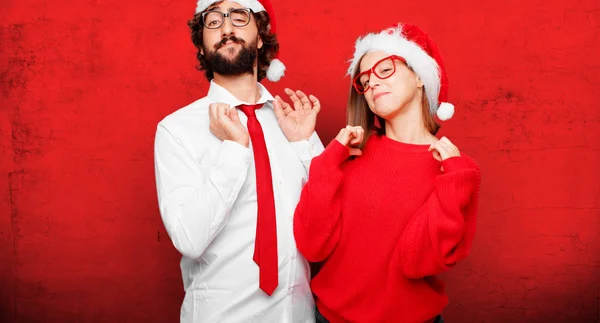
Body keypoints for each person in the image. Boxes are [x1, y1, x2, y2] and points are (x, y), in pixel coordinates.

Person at [293, 23, 481, 323]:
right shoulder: (350, 153)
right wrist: (328, 163)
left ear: (419, 76)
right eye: (364, 81)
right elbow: (312, 245)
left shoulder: (457, 170)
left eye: (384, 70)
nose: (373, 85)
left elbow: (418, 262)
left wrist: (453, 182)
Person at [154, 0, 324, 322]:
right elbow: (189, 238)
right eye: (214, 21)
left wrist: (304, 145)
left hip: (297, 315)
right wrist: (234, 149)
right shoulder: (177, 130)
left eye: (238, 16)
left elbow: (328, 220)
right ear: (202, 46)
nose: (227, 28)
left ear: (260, 36)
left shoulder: (293, 123)